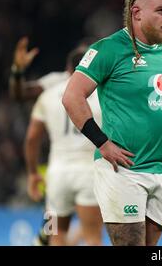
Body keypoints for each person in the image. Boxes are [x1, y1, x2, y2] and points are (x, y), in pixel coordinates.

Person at [62, 0, 162, 246]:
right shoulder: (108, 49)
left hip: (161, 169)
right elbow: (72, 97)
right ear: (136, 13)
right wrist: (103, 143)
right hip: (123, 170)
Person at [25, 48, 103, 246]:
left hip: (57, 175)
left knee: (55, 236)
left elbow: (32, 138)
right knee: (93, 236)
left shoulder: (49, 95)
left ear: (68, 68)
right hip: (90, 173)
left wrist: (33, 173)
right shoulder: (103, 94)